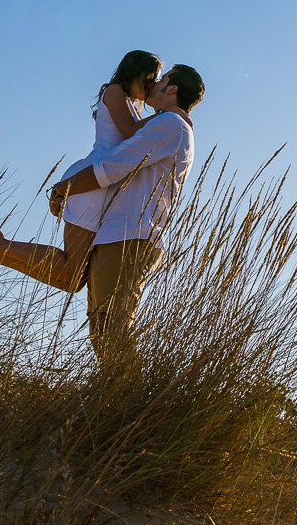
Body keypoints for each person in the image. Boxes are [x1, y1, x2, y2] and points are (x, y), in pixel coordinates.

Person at [0, 50, 163, 292]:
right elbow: (129, 131)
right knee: (70, 272)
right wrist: (169, 114)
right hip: (91, 182)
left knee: (72, 281)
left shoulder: (131, 104)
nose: (153, 85)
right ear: (135, 72)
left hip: (101, 184)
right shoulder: (115, 91)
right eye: (151, 78)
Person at [47, 63, 203, 366]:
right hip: (122, 234)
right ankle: (118, 393)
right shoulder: (172, 125)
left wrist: (62, 188)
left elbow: (113, 166)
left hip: (130, 235)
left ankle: (131, 396)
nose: (154, 83)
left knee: (111, 328)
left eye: (162, 79)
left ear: (172, 89)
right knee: (103, 328)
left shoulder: (171, 123)